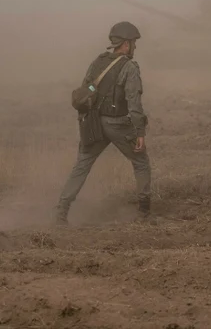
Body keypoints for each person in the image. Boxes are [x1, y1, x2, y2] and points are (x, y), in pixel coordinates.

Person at [55, 21, 151, 225]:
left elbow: (86, 91)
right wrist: (140, 132)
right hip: (118, 125)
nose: (134, 46)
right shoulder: (129, 67)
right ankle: (144, 212)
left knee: (82, 165)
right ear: (126, 44)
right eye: (133, 42)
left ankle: (61, 211)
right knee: (141, 162)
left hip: (95, 124)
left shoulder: (97, 62)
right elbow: (134, 103)